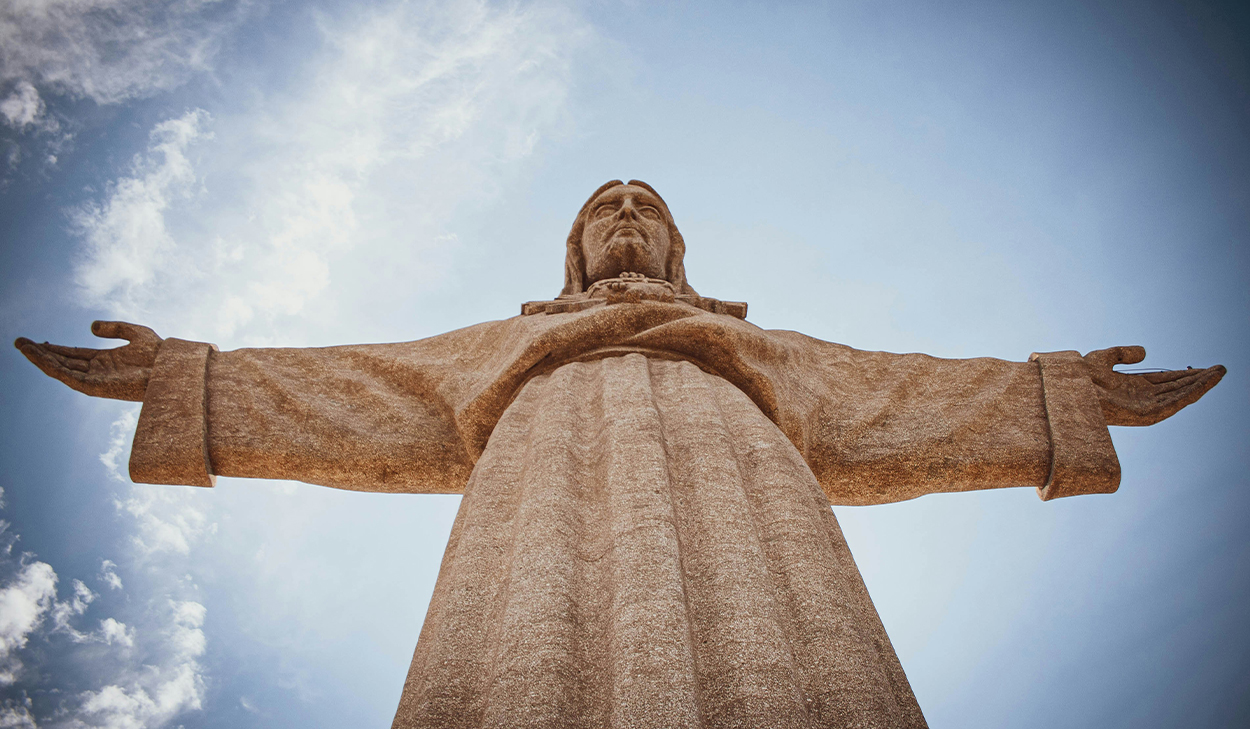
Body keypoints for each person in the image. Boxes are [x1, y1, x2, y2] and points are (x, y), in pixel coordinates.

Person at [16, 180, 1225, 729]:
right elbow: (352, 386)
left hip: (746, 477)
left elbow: (903, 393)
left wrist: (1058, 395)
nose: (627, 218)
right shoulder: (507, 348)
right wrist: (187, 378)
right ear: (574, 249)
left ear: (679, 251)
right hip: (537, 478)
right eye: (606, 208)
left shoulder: (753, 354)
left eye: (647, 208)